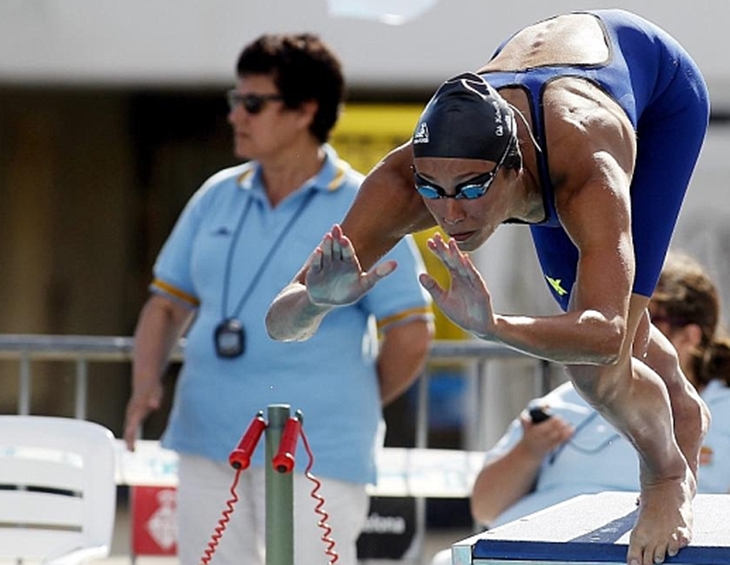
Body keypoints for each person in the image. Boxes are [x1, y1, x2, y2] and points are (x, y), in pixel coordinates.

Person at [265, 10, 711, 565]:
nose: (450, 212)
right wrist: (315, 302)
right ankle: (681, 404)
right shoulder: (401, 183)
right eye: (434, 189)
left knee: (598, 365)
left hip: (660, 94)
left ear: (515, 169)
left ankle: (666, 473)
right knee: (595, 323)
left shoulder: (585, 169)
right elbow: (277, 323)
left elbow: (602, 335)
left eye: (472, 188)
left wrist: (494, 326)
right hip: (532, 89)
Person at [123, 33, 433, 565]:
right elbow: (166, 304)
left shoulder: (366, 204)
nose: (236, 116)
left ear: (303, 111)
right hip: (206, 439)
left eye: (252, 103)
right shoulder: (215, 195)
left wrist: (350, 399)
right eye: (234, 101)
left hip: (319, 451)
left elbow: (410, 331)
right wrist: (144, 382)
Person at [428, 250, 730, 565]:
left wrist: (496, 327)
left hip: (636, 549)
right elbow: (484, 507)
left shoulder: (726, 410)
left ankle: (668, 475)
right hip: (526, 547)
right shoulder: (565, 398)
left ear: (690, 337)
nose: (629, 327)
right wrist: (529, 451)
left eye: (649, 319)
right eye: (629, 315)